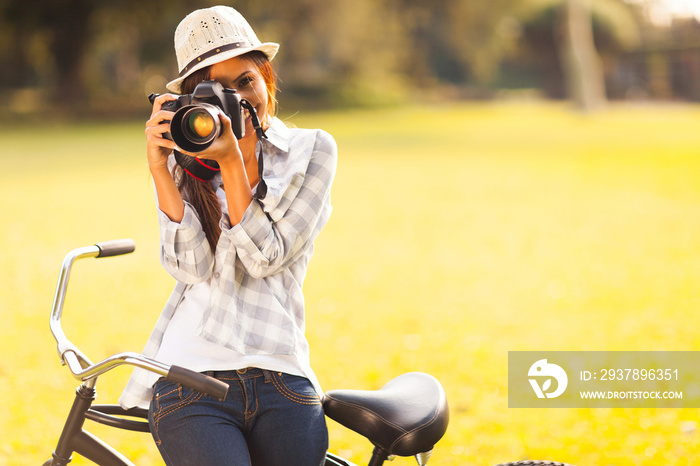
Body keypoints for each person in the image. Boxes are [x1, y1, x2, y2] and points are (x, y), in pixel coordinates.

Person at [119, 6, 337, 466]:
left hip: (280, 370)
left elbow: (265, 257)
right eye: (216, 90)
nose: (235, 99)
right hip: (190, 376)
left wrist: (233, 162)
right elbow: (190, 267)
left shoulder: (312, 150)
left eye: (245, 82)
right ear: (192, 99)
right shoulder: (187, 155)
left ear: (267, 80)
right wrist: (160, 167)